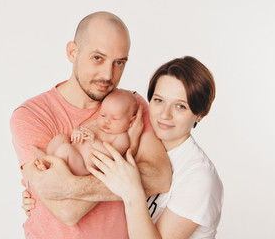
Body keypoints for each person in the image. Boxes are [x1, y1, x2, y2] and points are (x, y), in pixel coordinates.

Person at [10, 11, 172, 239]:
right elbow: (67, 211)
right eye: (98, 58)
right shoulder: (32, 115)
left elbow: (159, 176)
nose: (108, 74)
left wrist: (69, 186)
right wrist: (128, 173)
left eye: (119, 62)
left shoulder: (130, 105)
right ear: (72, 52)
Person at [88, 56, 224, 238]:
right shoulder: (136, 142)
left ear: (200, 113)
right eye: (159, 100)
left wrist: (132, 192)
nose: (165, 115)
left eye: (180, 106)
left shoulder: (199, 177)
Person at [34, 89, 139, 176]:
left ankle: (51, 170)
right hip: (72, 153)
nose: (106, 121)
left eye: (115, 119)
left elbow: (111, 157)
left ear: (131, 121)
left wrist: (95, 141)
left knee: (65, 149)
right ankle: (48, 160)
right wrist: (77, 131)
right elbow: (81, 128)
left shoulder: (122, 138)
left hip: (82, 166)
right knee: (61, 138)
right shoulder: (96, 123)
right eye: (103, 115)